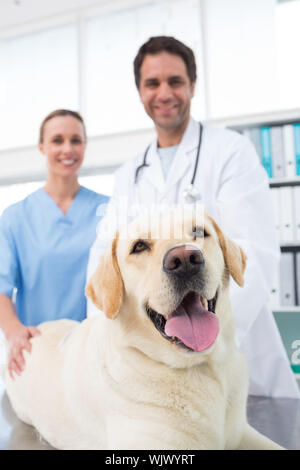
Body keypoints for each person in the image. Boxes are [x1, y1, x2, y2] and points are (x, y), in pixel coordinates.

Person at [87, 36, 300, 399]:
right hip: (153, 372)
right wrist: (102, 354)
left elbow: (254, 253)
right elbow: (106, 263)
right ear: (140, 92)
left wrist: (212, 338)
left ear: (193, 85)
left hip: (236, 359)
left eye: (175, 81)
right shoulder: (129, 174)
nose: (164, 93)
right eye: (152, 83)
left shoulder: (231, 151)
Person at [0, 109, 109, 379]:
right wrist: (14, 331)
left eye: (76, 140)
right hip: (38, 351)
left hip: (97, 352)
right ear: (42, 147)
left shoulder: (109, 211)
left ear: (85, 145)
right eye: (57, 140)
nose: (67, 149)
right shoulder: (16, 217)